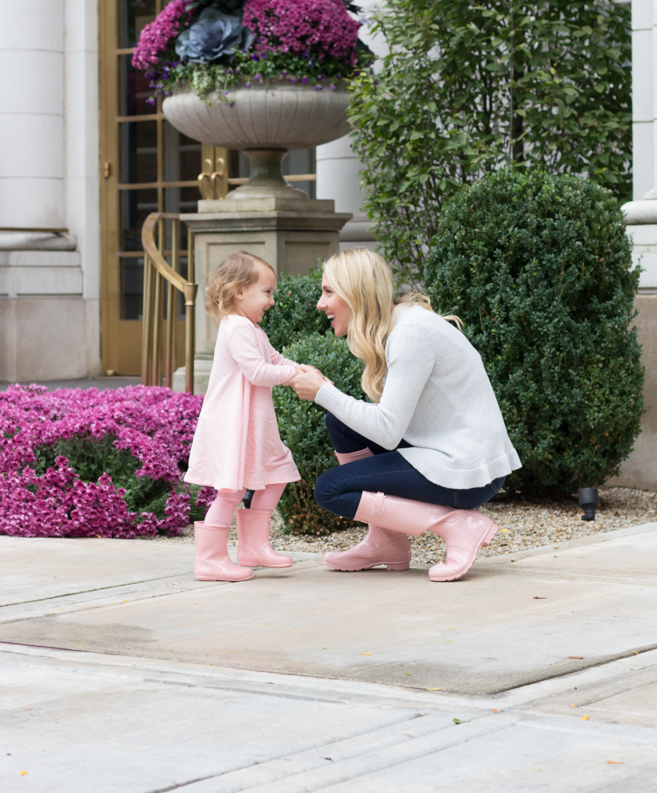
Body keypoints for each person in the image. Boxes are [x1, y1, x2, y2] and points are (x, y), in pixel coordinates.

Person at [289, 248, 521, 582]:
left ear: (356, 294)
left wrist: (324, 392)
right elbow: (387, 426)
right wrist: (329, 398)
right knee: (340, 423)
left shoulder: (410, 333)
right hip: (443, 455)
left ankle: (458, 525)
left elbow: (387, 432)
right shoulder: (396, 324)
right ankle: (386, 542)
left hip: (466, 472)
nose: (320, 304)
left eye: (328, 292)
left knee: (329, 490)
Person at [185, 251, 302, 582]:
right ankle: (209, 560)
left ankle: (253, 546)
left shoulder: (251, 328)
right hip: (235, 422)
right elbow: (256, 371)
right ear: (239, 291)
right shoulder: (236, 326)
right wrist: (293, 377)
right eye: (266, 292)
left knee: (278, 470)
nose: (272, 300)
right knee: (231, 490)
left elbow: (273, 359)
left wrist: (302, 370)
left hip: (255, 422)